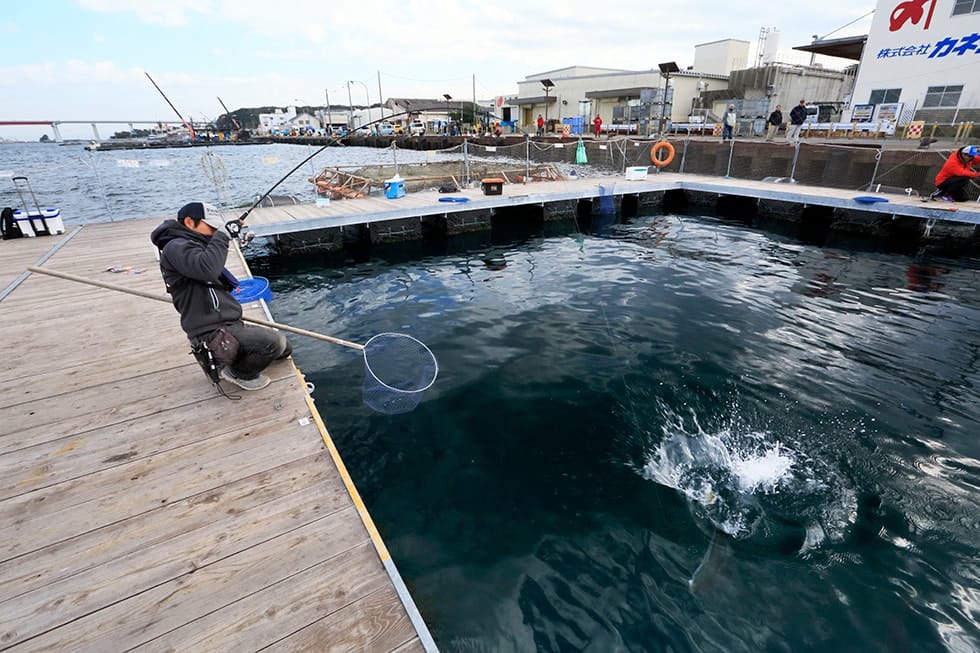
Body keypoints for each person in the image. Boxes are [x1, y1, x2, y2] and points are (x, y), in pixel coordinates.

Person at [150, 202, 291, 391]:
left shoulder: (193, 244)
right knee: (274, 343)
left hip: (229, 322)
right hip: (210, 331)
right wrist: (223, 237)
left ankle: (241, 357)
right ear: (190, 222)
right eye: (211, 227)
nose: (214, 232)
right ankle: (237, 372)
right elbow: (207, 269)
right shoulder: (175, 247)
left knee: (284, 347)